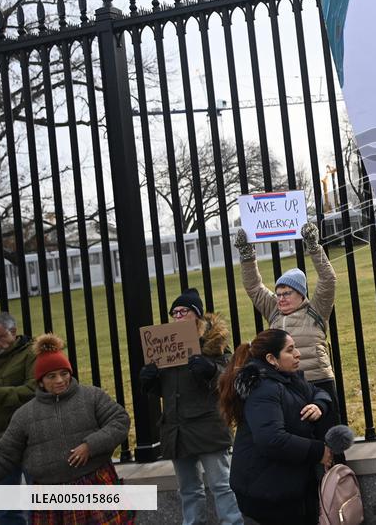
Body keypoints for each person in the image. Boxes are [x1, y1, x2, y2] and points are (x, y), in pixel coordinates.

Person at [0, 334, 132, 525]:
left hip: (95, 483)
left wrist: (90, 445)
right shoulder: (24, 415)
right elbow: (4, 455)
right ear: (40, 381)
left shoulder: (91, 396)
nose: (60, 380)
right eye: (52, 376)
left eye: (64, 373)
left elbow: (119, 421)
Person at [139, 289, 244, 525]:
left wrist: (210, 371)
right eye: (174, 312)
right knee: (188, 489)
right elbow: (164, 390)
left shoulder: (214, 343)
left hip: (207, 426)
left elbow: (228, 379)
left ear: (196, 314)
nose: (177, 316)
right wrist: (150, 380)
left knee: (221, 484)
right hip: (177, 429)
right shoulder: (166, 345)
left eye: (183, 311)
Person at [218, 329, 334, 525]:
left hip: (286, 485)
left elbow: (318, 392)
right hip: (268, 492)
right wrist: (318, 451)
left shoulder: (288, 377)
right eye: (290, 350)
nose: (297, 353)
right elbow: (271, 439)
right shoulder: (263, 388)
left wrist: (318, 405)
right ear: (272, 359)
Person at [234, 221, 340, 425]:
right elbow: (254, 287)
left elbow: (328, 279)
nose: (280, 298)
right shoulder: (273, 310)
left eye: (287, 293)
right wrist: (247, 255)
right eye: (278, 293)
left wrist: (313, 246)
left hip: (318, 379)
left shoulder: (316, 309)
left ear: (301, 294)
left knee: (328, 433)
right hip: (287, 384)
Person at [0, 312, 36, 525]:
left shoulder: (30, 353)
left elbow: (33, 391)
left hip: (29, 437)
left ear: (13, 332)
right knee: (4, 508)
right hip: (0, 443)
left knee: (38, 501)